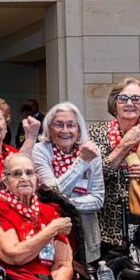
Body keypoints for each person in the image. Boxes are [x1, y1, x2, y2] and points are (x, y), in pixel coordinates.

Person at [87, 77, 140, 256]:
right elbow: (95, 176)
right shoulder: (96, 132)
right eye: (123, 98)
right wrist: (124, 145)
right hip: (106, 222)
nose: (130, 103)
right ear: (115, 104)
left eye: (136, 99)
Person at [30, 102, 105, 263]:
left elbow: (98, 200)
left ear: (79, 129)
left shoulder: (93, 152)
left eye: (71, 125)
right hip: (51, 235)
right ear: (49, 128)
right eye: (58, 124)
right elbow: (52, 194)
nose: (65, 130)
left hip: (87, 237)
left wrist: (64, 203)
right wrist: (82, 162)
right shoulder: (40, 150)